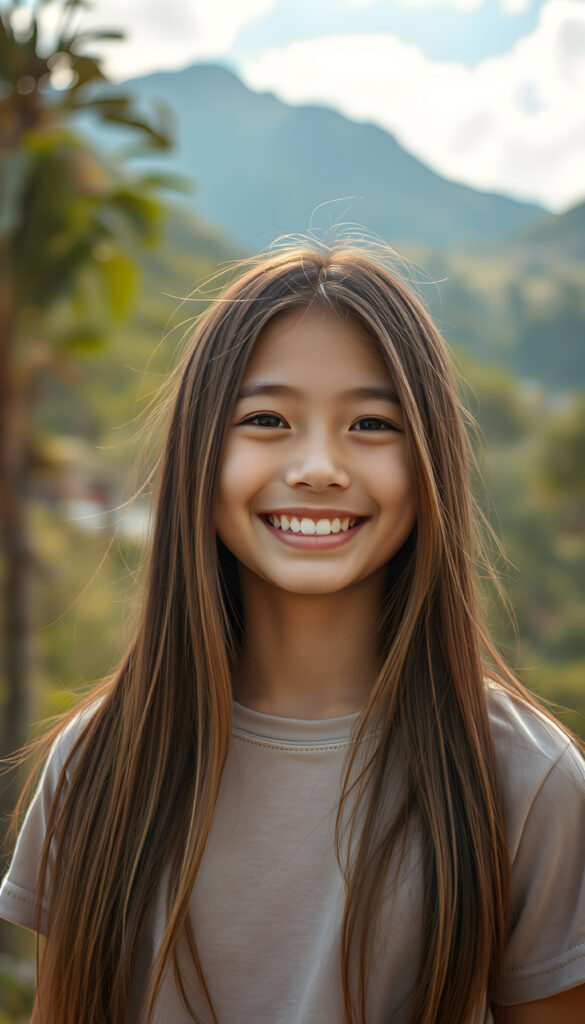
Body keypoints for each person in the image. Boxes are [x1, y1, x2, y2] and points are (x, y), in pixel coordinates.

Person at [1, 245, 584, 1024]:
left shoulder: (525, 781)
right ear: (200, 456)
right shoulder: (99, 762)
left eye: (372, 423)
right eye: (267, 420)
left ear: (429, 464)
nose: (317, 467)